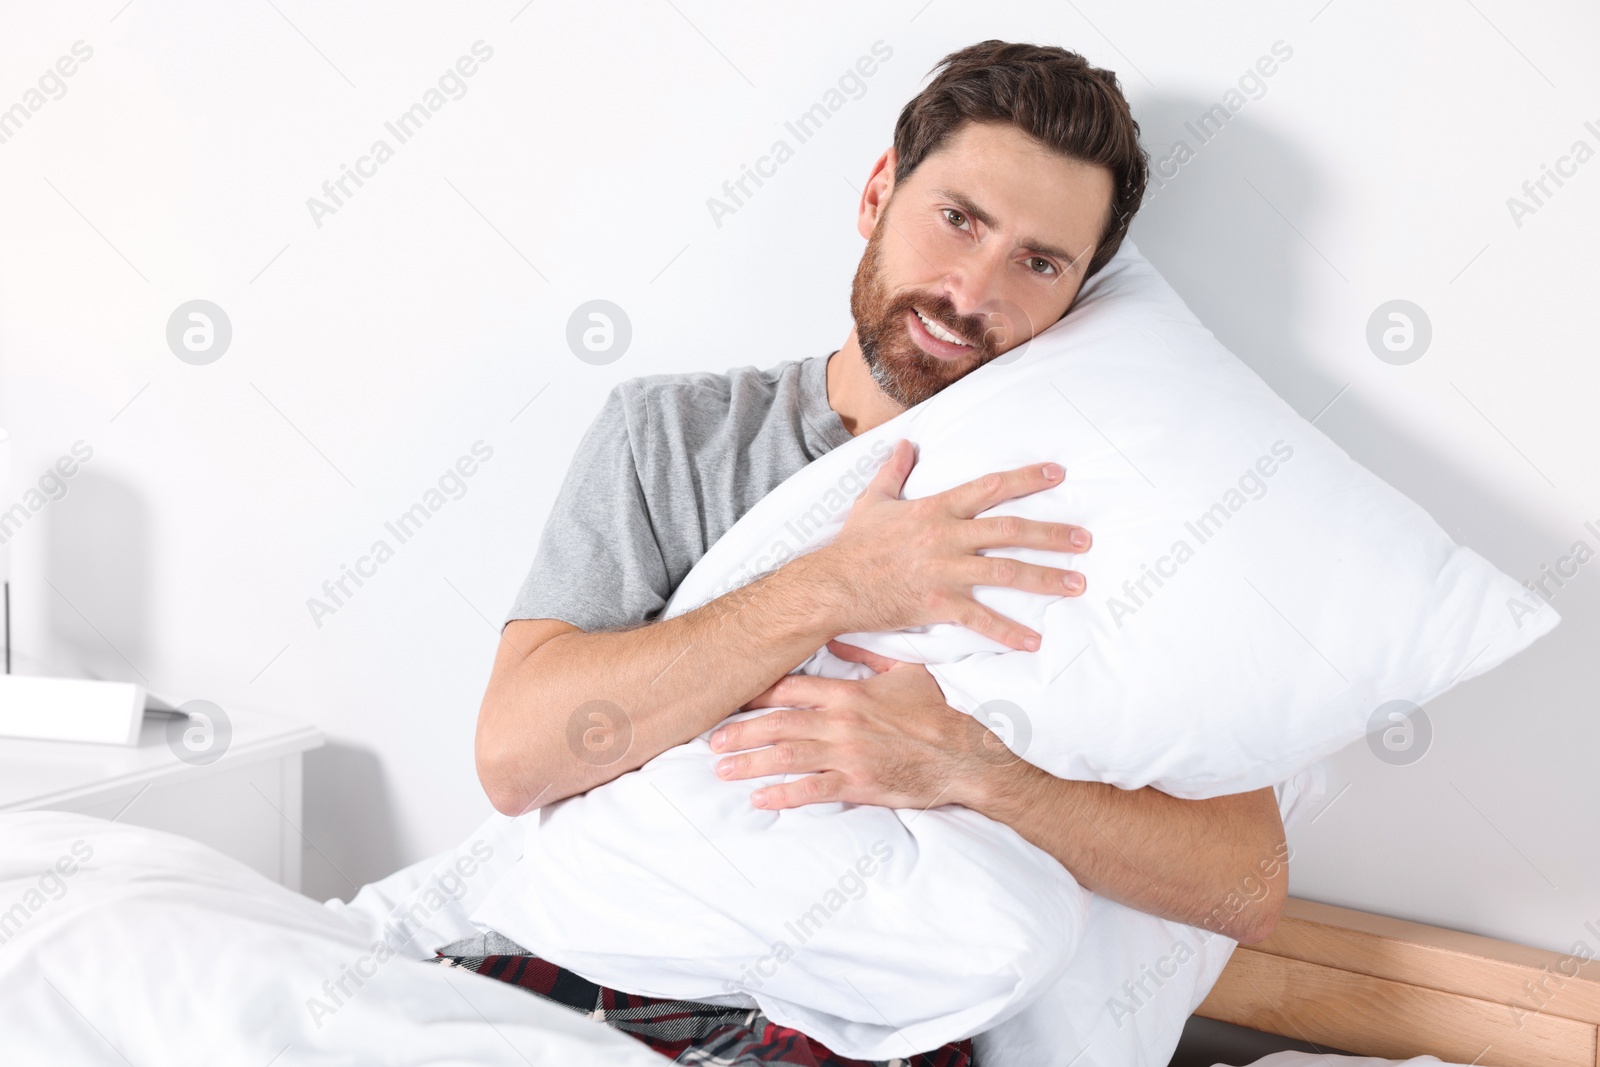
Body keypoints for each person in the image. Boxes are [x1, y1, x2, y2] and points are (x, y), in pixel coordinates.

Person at [462, 40, 1289, 1067]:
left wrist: (976, 772)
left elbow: (1246, 883)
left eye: (1038, 262)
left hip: (856, 1030)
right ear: (876, 194)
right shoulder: (676, 434)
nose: (970, 290)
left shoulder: (1093, 513)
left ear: (1078, 296)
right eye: (958, 219)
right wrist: (834, 584)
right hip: (578, 972)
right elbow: (515, 758)